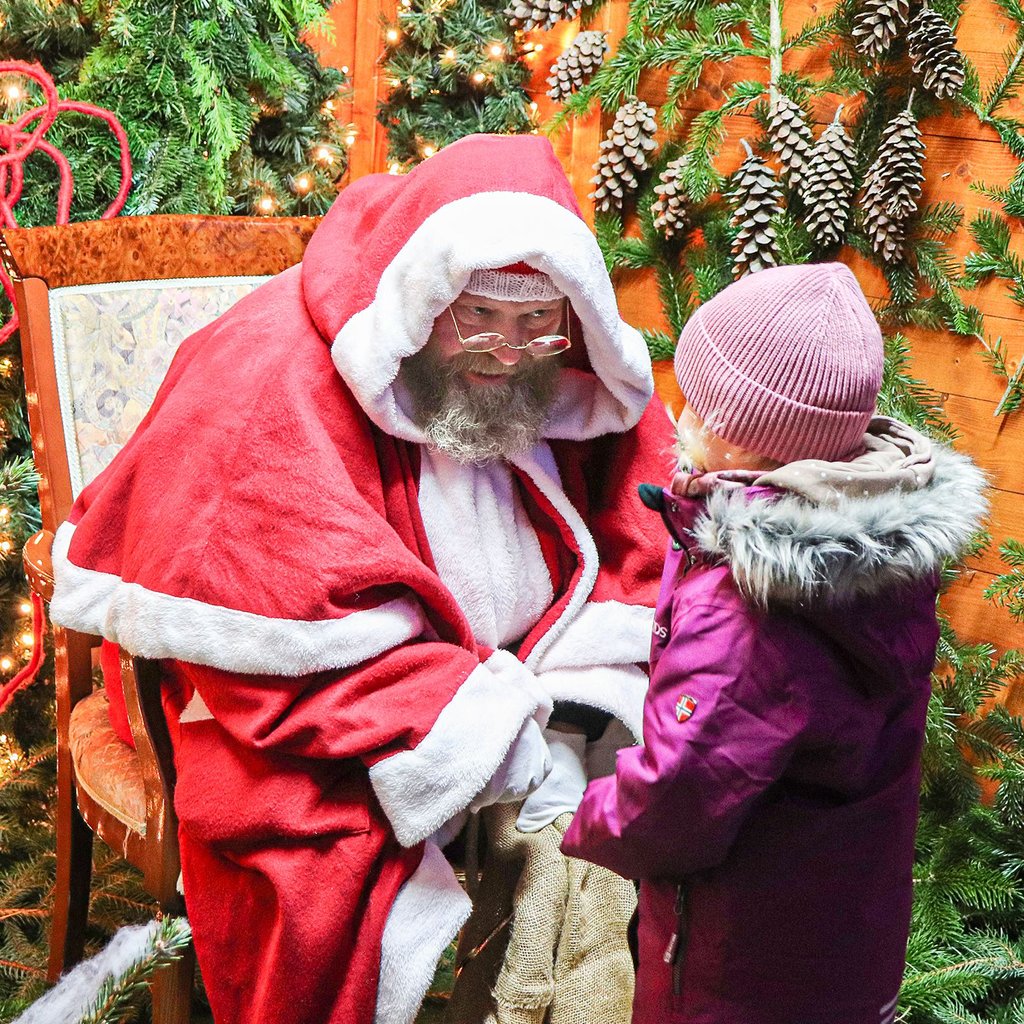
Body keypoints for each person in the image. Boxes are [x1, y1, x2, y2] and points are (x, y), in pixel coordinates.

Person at [48, 133, 667, 1024]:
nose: (508, 353)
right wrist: (479, 729)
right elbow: (262, 624)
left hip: (500, 673)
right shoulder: (270, 377)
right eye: (479, 317)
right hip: (277, 698)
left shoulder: (564, 374)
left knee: (636, 814)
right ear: (425, 297)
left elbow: (641, 547)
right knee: (315, 853)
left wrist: (573, 714)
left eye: (539, 323)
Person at [561, 262, 988, 1024]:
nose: (679, 415)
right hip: (840, 944)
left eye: (696, 404)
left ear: (743, 440)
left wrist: (578, 811)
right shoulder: (870, 540)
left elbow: (676, 798)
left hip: (737, 972)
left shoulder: (749, 609)